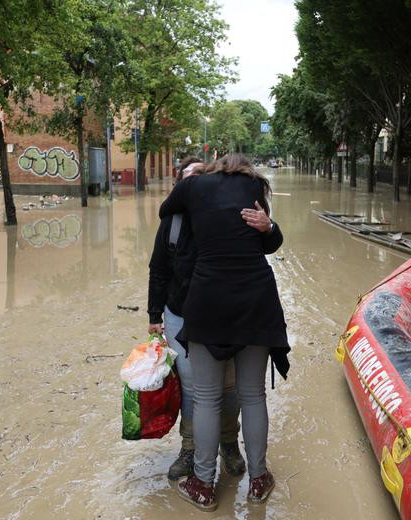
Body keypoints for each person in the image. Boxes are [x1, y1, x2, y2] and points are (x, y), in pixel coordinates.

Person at [158, 153, 289, 512]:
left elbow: (165, 211)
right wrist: (268, 226)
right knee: (253, 395)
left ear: (214, 168)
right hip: (256, 301)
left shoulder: (192, 186)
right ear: (245, 169)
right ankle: (258, 479)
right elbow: (267, 244)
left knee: (206, 398)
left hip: (209, 299)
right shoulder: (254, 187)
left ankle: (203, 484)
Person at [148, 156, 247, 481]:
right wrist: (154, 315)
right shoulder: (173, 222)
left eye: (202, 176)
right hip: (179, 314)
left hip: (223, 315)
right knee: (192, 387)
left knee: (229, 385)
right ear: (180, 186)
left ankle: (229, 443)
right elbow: (158, 269)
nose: (195, 183)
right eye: (189, 177)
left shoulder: (227, 216)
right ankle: (189, 448)